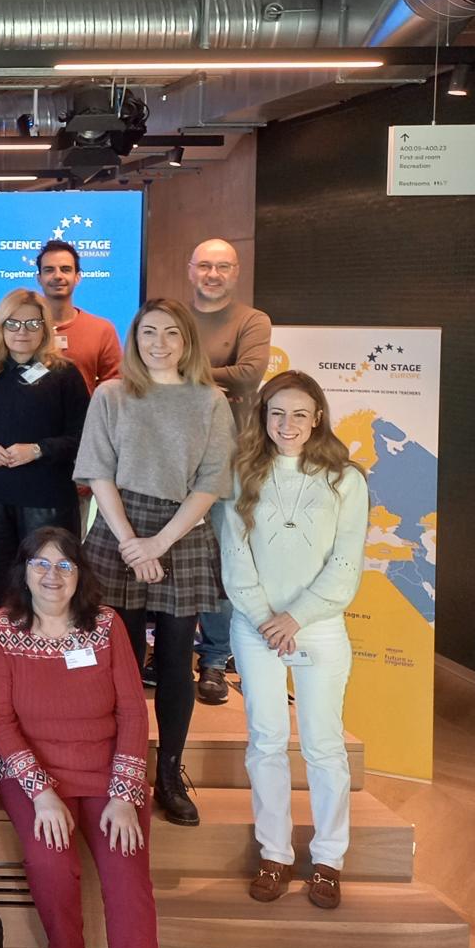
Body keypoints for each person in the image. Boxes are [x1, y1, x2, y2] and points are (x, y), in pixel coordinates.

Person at [74, 298, 235, 826]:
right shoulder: (111, 394)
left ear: (187, 341)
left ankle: (168, 772)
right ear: (135, 339)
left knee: (174, 662)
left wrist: (158, 544)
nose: (159, 343)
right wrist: (130, 542)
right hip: (119, 527)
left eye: (170, 333)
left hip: (181, 532)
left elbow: (212, 482)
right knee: (117, 663)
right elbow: (98, 471)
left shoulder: (211, 401)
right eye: (148, 332)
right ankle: (120, 768)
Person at [218, 371, 366, 910]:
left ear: (317, 417)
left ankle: (328, 859)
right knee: (266, 741)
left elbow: (346, 565)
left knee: (324, 746)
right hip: (255, 627)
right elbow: (235, 557)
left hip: (319, 627)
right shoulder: (241, 473)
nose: (288, 424)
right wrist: (266, 620)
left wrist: (295, 618)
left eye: (300, 413)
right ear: (263, 416)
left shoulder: (345, 479)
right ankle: (275, 854)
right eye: (277, 413)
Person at [0, 528, 155, 948]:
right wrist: (41, 794)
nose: (52, 575)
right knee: (51, 866)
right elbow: (1, 721)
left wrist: (124, 795)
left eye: (64, 565)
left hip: (107, 773)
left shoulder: (108, 624)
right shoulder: (0, 628)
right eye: (40, 563)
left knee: (127, 876)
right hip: (33, 775)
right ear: (24, 571)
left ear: (80, 574)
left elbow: (134, 712)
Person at [0, 290, 89, 624]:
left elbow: (83, 436)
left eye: (32, 323)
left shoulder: (65, 374)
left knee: (50, 582)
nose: (22, 331)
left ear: (45, 327)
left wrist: (38, 449)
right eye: (13, 323)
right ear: (0, 326)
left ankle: (51, 644)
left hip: (46, 497)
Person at [188, 238, 274, 706]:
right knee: (171, 558)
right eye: (205, 266)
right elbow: (147, 369)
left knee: (225, 561)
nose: (213, 274)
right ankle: (170, 651)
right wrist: (214, 376)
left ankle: (215, 658)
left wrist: (186, 373)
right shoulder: (176, 317)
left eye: (223, 267)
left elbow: (248, 374)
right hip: (175, 459)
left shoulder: (252, 320)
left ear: (236, 272)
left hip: (230, 458)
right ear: (191, 270)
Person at [35, 240, 122, 394]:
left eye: (65, 269)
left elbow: (115, 389)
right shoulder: (23, 329)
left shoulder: (102, 330)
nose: (58, 276)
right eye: (49, 270)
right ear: (39, 279)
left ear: (77, 277)